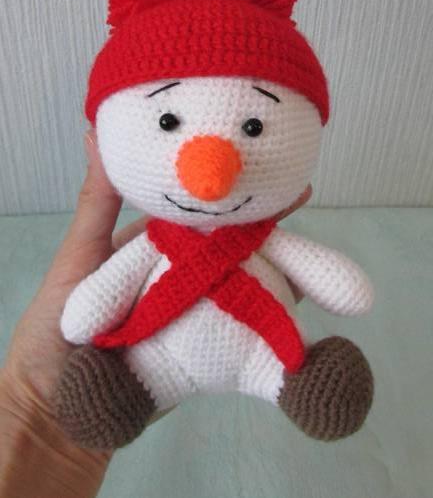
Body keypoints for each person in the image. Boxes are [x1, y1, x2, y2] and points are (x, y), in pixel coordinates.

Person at [0, 131, 310, 498]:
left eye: (253, 128)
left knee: (315, 385)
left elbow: (339, 283)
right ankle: (120, 393)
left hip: (262, 353)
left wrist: (33, 412)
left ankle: (302, 381)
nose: (211, 174)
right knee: (103, 400)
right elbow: (90, 307)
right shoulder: (156, 241)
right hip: (157, 363)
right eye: (168, 123)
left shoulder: (260, 237)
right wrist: (34, 406)